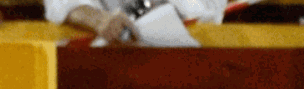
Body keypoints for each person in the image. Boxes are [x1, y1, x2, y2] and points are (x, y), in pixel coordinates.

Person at [47, 0, 221, 45]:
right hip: (107, 59)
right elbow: (59, 3)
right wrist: (99, 19)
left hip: (184, 57)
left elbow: (205, 12)